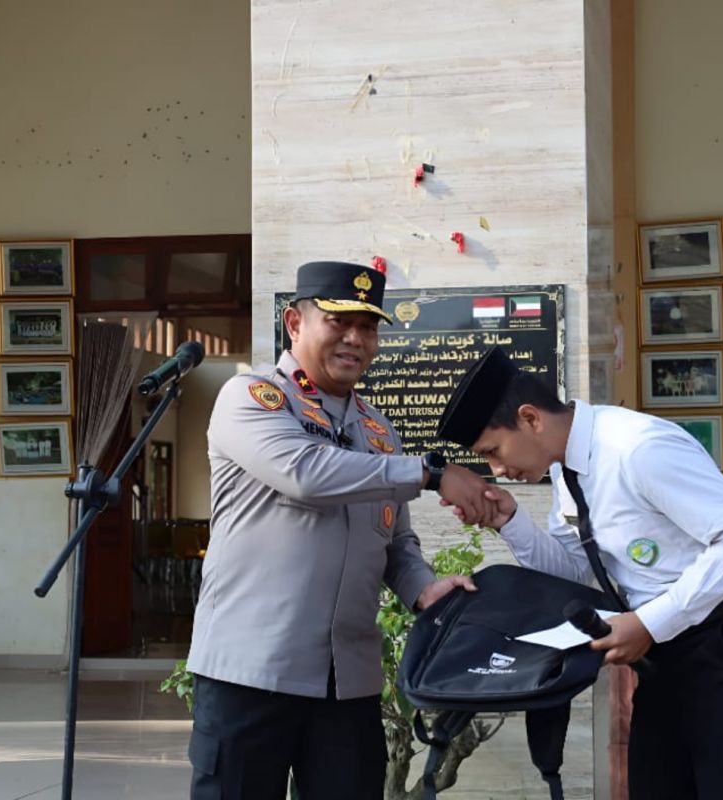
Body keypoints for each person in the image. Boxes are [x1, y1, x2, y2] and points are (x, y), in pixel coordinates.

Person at [185, 262, 494, 800]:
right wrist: (430, 473)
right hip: (251, 670)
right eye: (339, 322)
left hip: (346, 681)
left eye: (368, 327)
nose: (356, 338)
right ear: (294, 322)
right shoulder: (252, 397)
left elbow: (395, 539)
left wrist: (424, 588)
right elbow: (306, 474)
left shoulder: (379, 431)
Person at [436, 347, 723, 799]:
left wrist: (648, 622)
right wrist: (510, 522)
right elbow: (576, 572)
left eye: (493, 452)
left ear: (530, 418)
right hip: (666, 650)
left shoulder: (637, 448)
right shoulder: (566, 470)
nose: (498, 470)